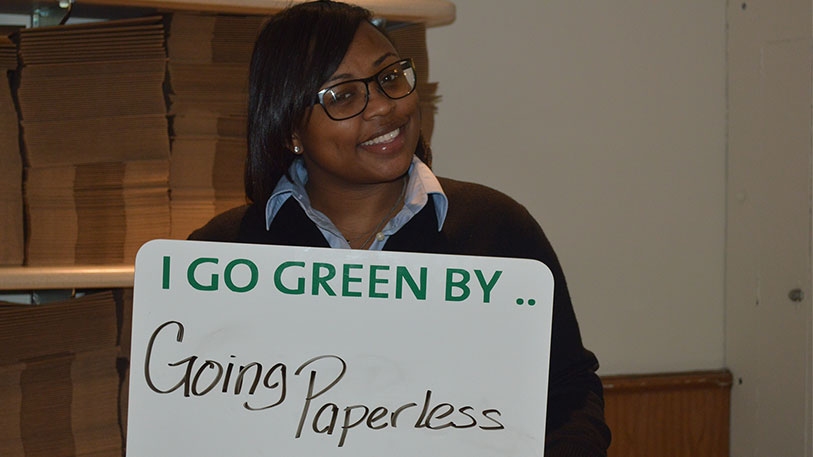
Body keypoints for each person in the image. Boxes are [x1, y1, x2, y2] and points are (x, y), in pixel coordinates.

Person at [189, 1, 611, 455]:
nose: (385, 107)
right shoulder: (225, 253)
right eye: (343, 96)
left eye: (390, 77)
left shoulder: (497, 230)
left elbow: (567, 390)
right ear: (290, 126)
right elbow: (194, 415)